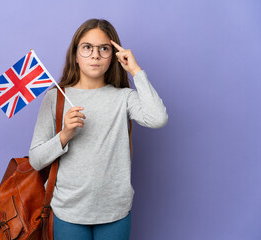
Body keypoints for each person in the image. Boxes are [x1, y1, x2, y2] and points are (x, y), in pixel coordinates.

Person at [29, 18, 168, 240]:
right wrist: (64, 135)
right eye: (87, 48)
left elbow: (158, 118)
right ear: (75, 54)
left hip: (115, 211)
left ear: (113, 55)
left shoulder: (124, 97)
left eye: (103, 49)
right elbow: (36, 160)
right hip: (68, 212)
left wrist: (135, 70)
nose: (95, 55)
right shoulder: (56, 97)